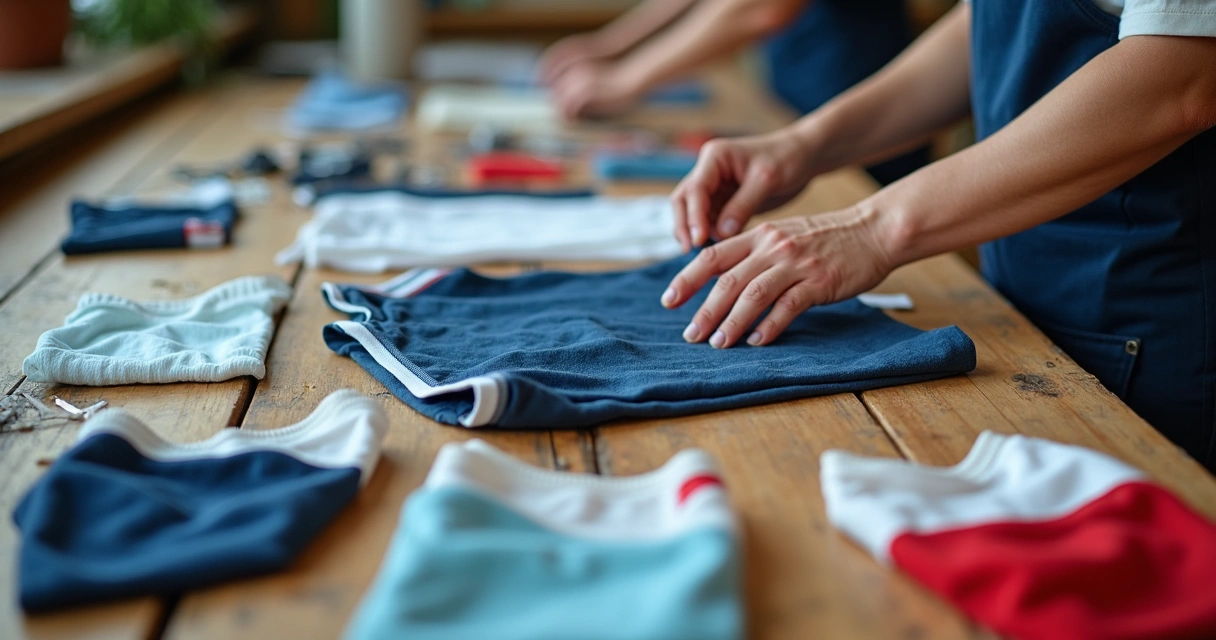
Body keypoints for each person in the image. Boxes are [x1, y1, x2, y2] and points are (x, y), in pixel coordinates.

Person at [659, 1, 1216, 468]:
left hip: (1158, 316)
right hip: (1029, 305)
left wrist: (871, 229)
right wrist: (805, 145)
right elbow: (983, 20)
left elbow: (1180, 74)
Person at [537, 0, 929, 185]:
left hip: (863, 103)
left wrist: (625, 78)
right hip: (795, 97)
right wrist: (614, 45)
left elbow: (761, 7)